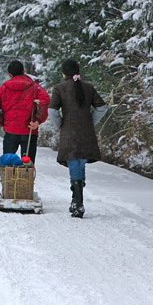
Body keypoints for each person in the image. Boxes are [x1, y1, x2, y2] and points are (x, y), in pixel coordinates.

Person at [48, 58, 107, 218]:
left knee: (74, 161)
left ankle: (78, 203)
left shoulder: (59, 88)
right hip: (86, 131)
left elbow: (52, 111)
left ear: (63, 73)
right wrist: (90, 121)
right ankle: (76, 199)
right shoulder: (88, 87)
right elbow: (102, 107)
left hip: (69, 131)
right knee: (80, 162)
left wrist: (60, 124)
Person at [0, 60, 50, 164]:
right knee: (27, 166)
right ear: (23, 71)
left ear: (10, 74)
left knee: (8, 164)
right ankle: (25, 180)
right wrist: (38, 121)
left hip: (10, 130)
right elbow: (45, 101)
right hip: (29, 130)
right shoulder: (35, 87)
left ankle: (9, 180)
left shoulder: (2, 89)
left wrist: (1, 123)